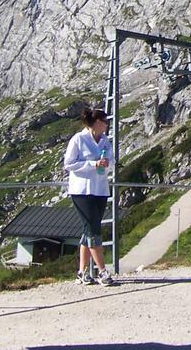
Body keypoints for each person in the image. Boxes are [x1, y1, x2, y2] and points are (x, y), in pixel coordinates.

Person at [64, 108, 115, 286]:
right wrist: (93, 164)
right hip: (82, 191)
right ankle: (102, 271)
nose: (107, 125)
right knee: (94, 229)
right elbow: (69, 164)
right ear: (96, 123)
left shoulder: (105, 141)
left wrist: (107, 164)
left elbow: (112, 162)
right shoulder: (78, 139)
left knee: (89, 229)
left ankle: (82, 272)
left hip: (100, 190)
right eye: (104, 121)